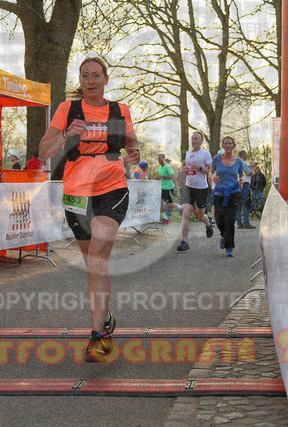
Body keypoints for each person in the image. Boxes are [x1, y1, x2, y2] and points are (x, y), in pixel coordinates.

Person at [39, 57, 140, 363]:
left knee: (97, 258)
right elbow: (44, 151)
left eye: (96, 75)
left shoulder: (120, 110)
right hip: (77, 192)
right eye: (85, 76)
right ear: (80, 80)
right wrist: (65, 134)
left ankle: (97, 337)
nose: (91, 81)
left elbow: (132, 141)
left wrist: (134, 152)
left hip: (112, 187)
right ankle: (104, 318)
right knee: (91, 263)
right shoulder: (67, 109)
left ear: (106, 78)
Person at [176, 131, 214, 252]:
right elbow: (188, 169)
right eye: (192, 138)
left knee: (200, 216)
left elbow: (211, 172)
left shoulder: (205, 154)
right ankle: (184, 241)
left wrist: (199, 168)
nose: (193, 140)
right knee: (186, 213)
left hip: (201, 188)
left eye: (196, 139)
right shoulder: (188, 153)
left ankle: (208, 224)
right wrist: (184, 169)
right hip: (189, 187)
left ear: (201, 141)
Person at [210, 136, 245, 257]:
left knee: (230, 220)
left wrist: (242, 180)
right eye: (225, 143)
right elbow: (210, 171)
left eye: (230, 143)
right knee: (219, 220)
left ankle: (229, 247)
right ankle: (223, 236)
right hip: (219, 193)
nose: (227, 145)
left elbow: (242, 174)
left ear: (234, 146)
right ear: (223, 145)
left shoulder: (239, 161)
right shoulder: (217, 159)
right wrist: (213, 177)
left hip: (234, 192)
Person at [235, 149, 256, 229]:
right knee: (246, 203)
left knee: (239, 204)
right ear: (243, 155)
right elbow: (250, 173)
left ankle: (239, 222)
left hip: (237, 184)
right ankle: (246, 222)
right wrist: (252, 168)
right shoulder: (243, 163)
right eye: (246, 155)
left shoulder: (236, 163)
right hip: (245, 184)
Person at [156, 154, 178, 224]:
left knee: (169, 205)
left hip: (168, 188)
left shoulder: (167, 166)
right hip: (162, 188)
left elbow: (173, 176)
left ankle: (183, 207)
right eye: (158, 159)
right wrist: (157, 178)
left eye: (160, 158)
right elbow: (161, 176)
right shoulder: (160, 167)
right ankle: (165, 218)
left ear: (163, 159)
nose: (159, 160)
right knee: (160, 203)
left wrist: (163, 177)